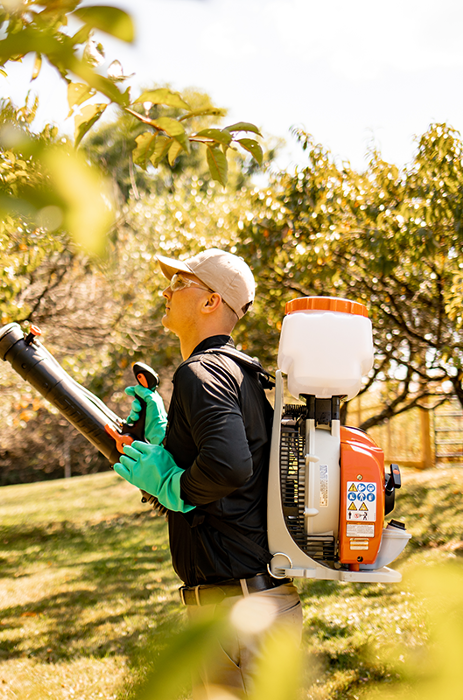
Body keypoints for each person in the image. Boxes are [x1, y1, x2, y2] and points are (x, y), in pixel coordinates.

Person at [112, 248, 302, 699]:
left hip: (238, 616)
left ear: (211, 301)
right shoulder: (240, 372)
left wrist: (172, 486)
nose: (167, 291)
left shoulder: (200, 373)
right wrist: (167, 436)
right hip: (257, 604)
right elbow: (227, 458)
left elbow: (229, 465)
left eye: (180, 284)